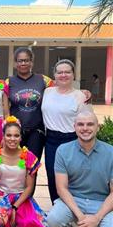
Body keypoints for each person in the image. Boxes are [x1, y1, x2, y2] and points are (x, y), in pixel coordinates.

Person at [47, 111, 113, 227]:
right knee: (53, 219)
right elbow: (62, 189)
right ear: (74, 127)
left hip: (101, 201)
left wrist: (96, 219)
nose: (85, 128)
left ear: (98, 127)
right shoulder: (63, 150)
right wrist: (83, 219)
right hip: (74, 199)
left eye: (90, 124)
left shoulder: (111, 153)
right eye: (80, 124)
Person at [0, 116, 53, 227]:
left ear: (20, 138)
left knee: (31, 223)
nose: (12, 139)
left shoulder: (29, 157)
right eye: (9, 135)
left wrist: (15, 207)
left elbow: (29, 187)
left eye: (16, 135)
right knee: (1, 219)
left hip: (21, 198)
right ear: (4, 136)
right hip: (0, 195)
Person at [41, 59, 89, 203]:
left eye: (67, 72)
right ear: (54, 75)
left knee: (72, 177)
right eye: (59, 72)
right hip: (50, 140)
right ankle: (56, 207)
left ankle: (73, 209)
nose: (63, 75)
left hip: (71, 140)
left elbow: (86, 121)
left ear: (73, 75)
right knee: (52, 175)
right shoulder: (47, 92)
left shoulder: (80, 96)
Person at [5, 47, 53, 176]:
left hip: (36, 131)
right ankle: (15, 196)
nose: (23, 63)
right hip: (15, 133)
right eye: (20, 61)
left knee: (31, 168)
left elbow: (62, 89)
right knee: (15, 167)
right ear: (15, 63)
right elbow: (0, 103)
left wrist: (83, 92)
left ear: (31, 62)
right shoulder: (9, 82)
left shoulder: (44, 80)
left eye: (26, 60)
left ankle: (28, 196)